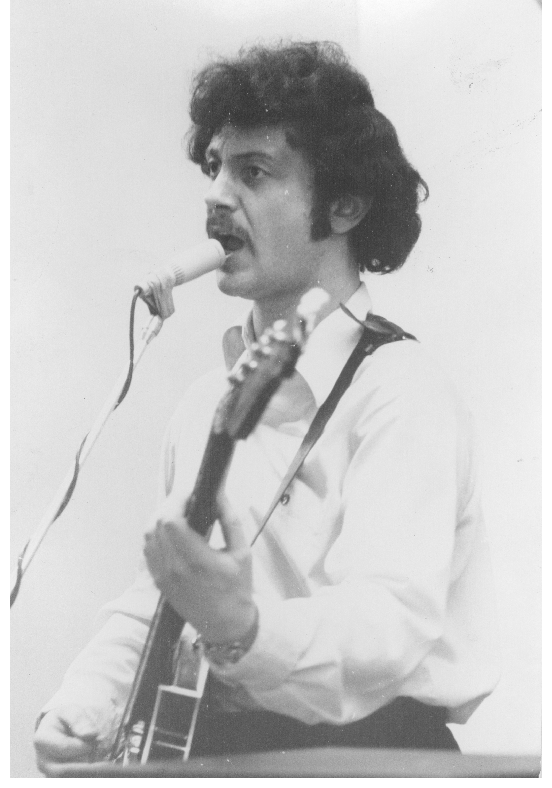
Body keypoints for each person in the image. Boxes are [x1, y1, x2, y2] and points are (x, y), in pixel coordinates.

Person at [34, 41, 499, 769]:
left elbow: (388, 624)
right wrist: (84, 700)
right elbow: (161, 591)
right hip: (218, 755)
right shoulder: (202, 405)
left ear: (344, 206)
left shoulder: (404, 393)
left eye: (253, 172)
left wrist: (243, 629)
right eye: (215, 166)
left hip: (372, 759)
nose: (216, 196)